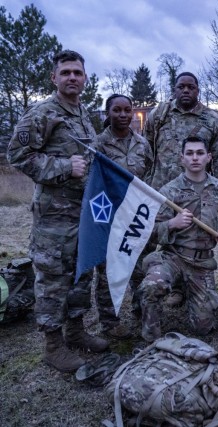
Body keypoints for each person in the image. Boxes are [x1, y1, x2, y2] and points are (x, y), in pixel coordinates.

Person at [7, 50, 108, 372]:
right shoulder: (42, 113)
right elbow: (18, 155)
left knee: (81, 273)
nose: (72, 77)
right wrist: (63, 166)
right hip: (54, 219)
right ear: (54, 78)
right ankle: (53, 345)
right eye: (65, 72)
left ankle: (76, 331)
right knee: (53, 280)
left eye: (77, 72)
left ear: (85, 78)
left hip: (83, 214)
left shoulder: (82, 115)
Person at [138, 136, 218, 342]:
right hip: (173, 257)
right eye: (190, 153)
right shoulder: (169, 191)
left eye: (200, 153)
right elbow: (149, 229)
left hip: (201, 263)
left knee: (203, 327)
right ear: (181, 158)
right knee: (151, 286)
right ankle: (151, 338)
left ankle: (188, 291)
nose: (195, 158)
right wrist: (172, 224)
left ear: (208, 157)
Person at [144, 71, 218, 306]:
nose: (186, 91)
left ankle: (188, 287)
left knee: (188, 239)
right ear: (175, 89)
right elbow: (148, 146)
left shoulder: (211, 120)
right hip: (161, 189)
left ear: (198, 90)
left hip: (196, 192)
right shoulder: (160, 114)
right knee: (157, 238)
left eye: (191, 87)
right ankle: (153, 289)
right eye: (181, 87)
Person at [94, 94, 153, 339]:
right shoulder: (97, 144)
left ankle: (142, 310)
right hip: (109, 216)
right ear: (107, 113)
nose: (122, 115)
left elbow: (148, 175)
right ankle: (110, 321)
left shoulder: (142, 144)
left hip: (136, 215)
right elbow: (92, 183)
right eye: (116, 110)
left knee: (139, 265)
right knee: (110, 270)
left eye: (127, 110)